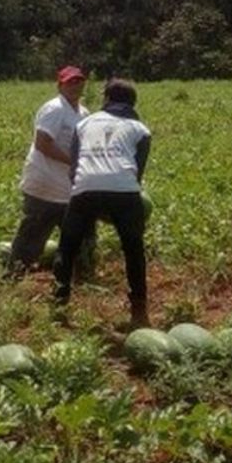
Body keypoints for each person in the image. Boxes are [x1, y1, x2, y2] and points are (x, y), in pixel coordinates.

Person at [54, 79, 152, 328]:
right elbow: (137, 174)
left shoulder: (84, 123)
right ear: (132, 103)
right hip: (124, 190)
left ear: (107, 100)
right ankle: (139, 310)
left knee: (66, 248)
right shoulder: (140, 129)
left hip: (84, 187)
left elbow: (74, 168)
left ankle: (59, 304)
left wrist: (87, 199)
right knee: (133, 249)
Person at [8, 65, 94, 276]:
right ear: (60, 85)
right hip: (45, 184)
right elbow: (43, 143)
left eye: (79, 81)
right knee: (32, 235)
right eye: (70, 82)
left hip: (68, 187)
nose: (75, 86)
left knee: (81, 233)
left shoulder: (83, 113)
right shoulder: (54, 109)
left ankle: (80, 274)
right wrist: (73, 161)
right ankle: (15, 276)